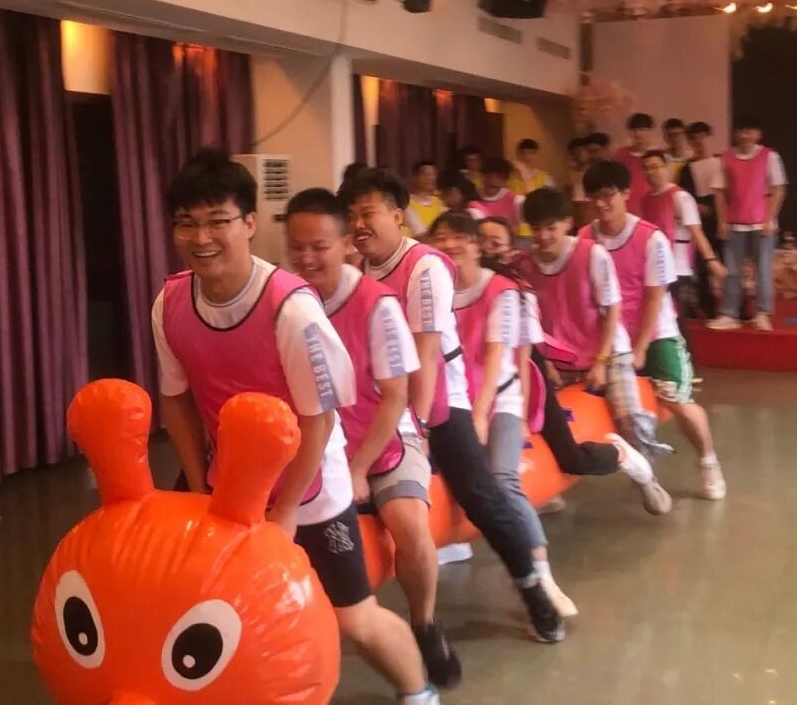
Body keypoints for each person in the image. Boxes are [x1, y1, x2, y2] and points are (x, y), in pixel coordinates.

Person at [153, 150, 439, 704]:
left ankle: (418, 690)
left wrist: (285, 509)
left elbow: (319, 418)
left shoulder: (290, 308)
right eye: (187, 223)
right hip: (230, 480)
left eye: (217, 221)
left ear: (249, 223)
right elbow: (177, 401)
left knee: (353, 618)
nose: (201, 237)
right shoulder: (170, 302)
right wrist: (198, 486)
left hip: (309, 485)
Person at [338, 168, 565, 644]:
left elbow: (427, 356)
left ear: (397, 216)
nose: (358, 224)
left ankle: (532, 587)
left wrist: (418, 429)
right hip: (382, 403)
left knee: (479, 493)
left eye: (368, 213)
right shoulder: (360, 270)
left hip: (439, 399)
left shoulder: (424, 267)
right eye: (351, 215)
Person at [285, 188, 460, 689]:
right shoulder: (284, 300)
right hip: (316, 448)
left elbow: (395, 396)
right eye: (297, 247)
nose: (307, 258)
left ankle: (424, 623)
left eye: (319, 246)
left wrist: (359, 468)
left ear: (345, 243)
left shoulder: (375, 304)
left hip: (380, 442)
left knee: (409, 526)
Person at [428, 211, 577, 617]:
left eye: (458, 237)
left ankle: (542, 574)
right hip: (451, 401)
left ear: (476, 245)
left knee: (503, 479)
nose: (449, 245)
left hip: (498, 399)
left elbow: (496, 356)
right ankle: (456, 539)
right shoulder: (433, 292)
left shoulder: (502, 291)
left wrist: (480, 416)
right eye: (440, 238)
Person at [475, 217, 671, 515]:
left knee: (571, 457)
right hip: (485, 382)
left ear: (509, 248)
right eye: (482, 241)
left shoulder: (515, 289)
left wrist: (526, 406)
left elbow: (526, 355)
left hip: (524, 377)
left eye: (496, 242)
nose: (488, 248)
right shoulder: (459, 285)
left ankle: (623, 456)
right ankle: (541, 494)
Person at [581, 161, 726, 500]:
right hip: (611, 335)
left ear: (625, 193)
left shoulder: (651, 238)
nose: (601, 204)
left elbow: (653, 297)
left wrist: (642, 348)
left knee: (677, 401)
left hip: (656, 333)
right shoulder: (585, 237)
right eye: (594, 197)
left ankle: (708, 461)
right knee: (598, 405)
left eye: (608, 195)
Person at [519, 187, 672, 466]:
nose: (543, 236)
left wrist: (601, 362)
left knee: (629, 419)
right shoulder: (526, 264)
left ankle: (646, 473)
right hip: (563, 357)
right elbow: (532, 320)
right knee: (545, 417)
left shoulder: (592, 254)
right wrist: (546, 362)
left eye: (551, 228)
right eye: (536, 229)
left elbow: (612, 309)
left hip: (609, 351)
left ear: (567, 222)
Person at [708, 116, 788, 332]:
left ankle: (762, 313)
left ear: (758, 134)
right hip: (734, 224)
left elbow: (778, 189)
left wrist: (770, 218)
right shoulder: (725, 158)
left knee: (763, 270)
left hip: (761, 224)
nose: (745, 136)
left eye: (750, 131)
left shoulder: (769, 156)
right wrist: (722, 220)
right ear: (735, 133)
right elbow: (719, 192)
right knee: (732, 271)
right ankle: (729, 314)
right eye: (742, 131)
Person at [640, 150, 726, 322]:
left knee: (674, 321)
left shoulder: (680, 197)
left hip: (678, 269)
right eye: (646, 168)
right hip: (654, 266)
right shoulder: (646, 199)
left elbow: (696, 232)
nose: (650, 172)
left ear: (666, 167)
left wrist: (711, 260)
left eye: (655, 167)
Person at [680, 123, 723, 319]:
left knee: (729, 262)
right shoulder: (686, 169)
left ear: (709, 138)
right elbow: (683, 195)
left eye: (703, 137)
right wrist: (696, 206)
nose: (699, 142)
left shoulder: (721, 162)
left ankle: (736, 305)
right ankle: (708, 307)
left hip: (722, 220)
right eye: (694, 138)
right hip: (699, 223)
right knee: (702, 266)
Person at [616, 114, 657, 215]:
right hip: (627, 209)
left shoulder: (657, 156)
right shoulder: (621, 155)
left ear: (650, 131)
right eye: (634, 130)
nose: (637, 134)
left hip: (652, 207)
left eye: (641, 129)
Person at [473, 157, 523, 236]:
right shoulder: (472, 197)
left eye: (498, 177)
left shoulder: (515, 200)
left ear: (505, 179)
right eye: (489, 176)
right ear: (483, 176)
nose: (493, 180)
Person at [403, 161, 446, 240]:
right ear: (415, 177)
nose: (430, 178)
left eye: (433, 174)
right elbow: (418, 233)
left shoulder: (440, 202)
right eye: (425, 174)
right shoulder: (407, 203)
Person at [566, 137, 593, 229]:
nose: (579, 154)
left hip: (588, 207)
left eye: (582, 151)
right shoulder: (571, 171)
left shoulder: (594, 170)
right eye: (575, 152)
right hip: (575, 207)